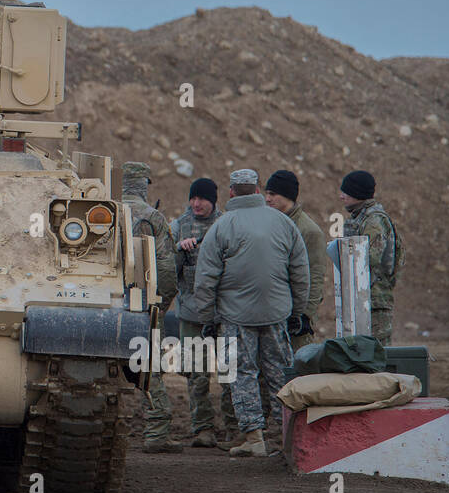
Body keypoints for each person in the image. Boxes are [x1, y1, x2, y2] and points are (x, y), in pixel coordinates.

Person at [192, 169, 309, 458]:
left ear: (231, 192)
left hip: (235, 317)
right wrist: (296, 310)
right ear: (258, 191)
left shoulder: (221, 226)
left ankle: (254, 438)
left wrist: (207, 318)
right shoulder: (283, 223)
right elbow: (300, 271)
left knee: (242, 375)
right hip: (276, 312)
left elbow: (206, 278)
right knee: (280, 374)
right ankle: (290, 439)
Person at [119, 161, 181, 454]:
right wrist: (159, 308)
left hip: (104, 304)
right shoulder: (153, 217)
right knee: (149, 366)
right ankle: (156, 430)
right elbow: (167, 273)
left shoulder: (103, 209)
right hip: (143, 304)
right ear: (145, 185)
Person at [171, 177, 233, 448]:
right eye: (193, 198)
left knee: (229, 374)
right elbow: (167, 270)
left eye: (202, 199)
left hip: (224, 313)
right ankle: (202, 428)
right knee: (196, 374)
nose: (196, 204)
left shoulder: (227, 224)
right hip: (191, 312)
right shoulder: (179, 226)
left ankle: (234, 429)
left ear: (213, 200)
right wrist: (179, 251)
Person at [263, 170, 328, 350]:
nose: (267, 199)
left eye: (273, 194)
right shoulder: (267, 223)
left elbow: (315, 276)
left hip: (294, 315)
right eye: (267, 193)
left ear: (288, 196)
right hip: (270, 311)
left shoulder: (309, 231)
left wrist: (305, 316)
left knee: (297, 369)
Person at [340, 171, 403, 346]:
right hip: (363, 300)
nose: (341, 196)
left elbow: (367, 261)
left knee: (376, 355)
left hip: (375, 302)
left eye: (345, 192)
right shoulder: (361, 219)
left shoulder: (374, 222)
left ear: (357, 194)